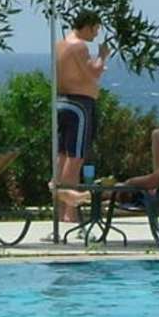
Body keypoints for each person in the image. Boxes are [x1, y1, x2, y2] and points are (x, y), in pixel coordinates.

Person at [55, 11, 110, 224]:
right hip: (79, 104)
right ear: (87, 26)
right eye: (95, 29)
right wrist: (102, 55)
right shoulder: (78, 46)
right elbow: (93, 72)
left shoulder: (60, 44)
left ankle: (60, 209)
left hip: (62, 101)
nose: (96, 35)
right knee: (75, 158)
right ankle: (70, 210)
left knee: (62, 155)